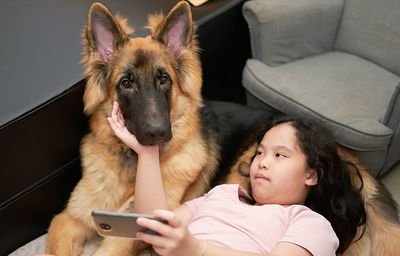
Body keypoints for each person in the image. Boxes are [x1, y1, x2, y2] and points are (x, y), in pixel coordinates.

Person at [107, 101, 366, 256]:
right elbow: (153, 224)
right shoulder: (221, 194)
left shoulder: (310, 222)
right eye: (260, 152)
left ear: (311, 174)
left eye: (280, 155)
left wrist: (197, 249)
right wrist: (147, 154)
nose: (262, 161)